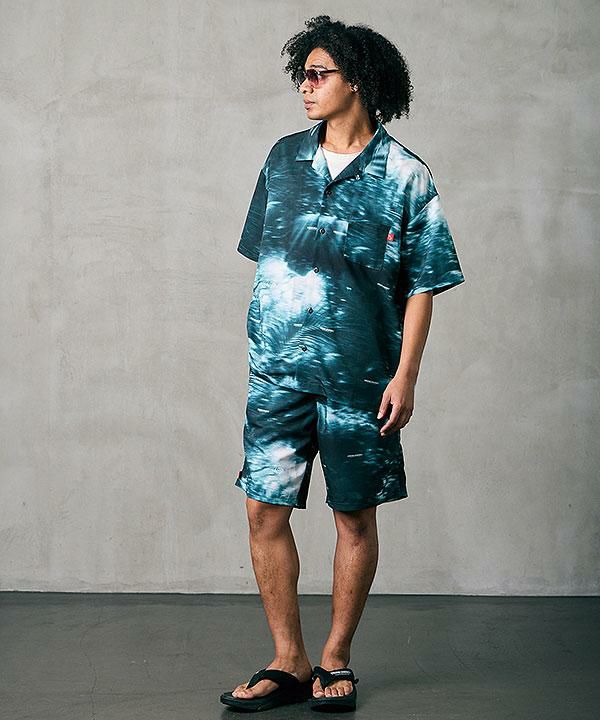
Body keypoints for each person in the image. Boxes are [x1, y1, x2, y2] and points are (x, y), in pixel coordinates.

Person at [220, 14, 465, 713]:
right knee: (263, 511)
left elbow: (423, 284)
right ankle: (288, 660)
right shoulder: (282, 160)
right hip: (278, 373)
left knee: (354, 515)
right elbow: (267, 260)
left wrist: (406, 376)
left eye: (317, 74)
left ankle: (335, 659)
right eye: (301, 75)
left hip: (361, 380)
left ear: (356, 80)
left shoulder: (405, 175)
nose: (304, 86)